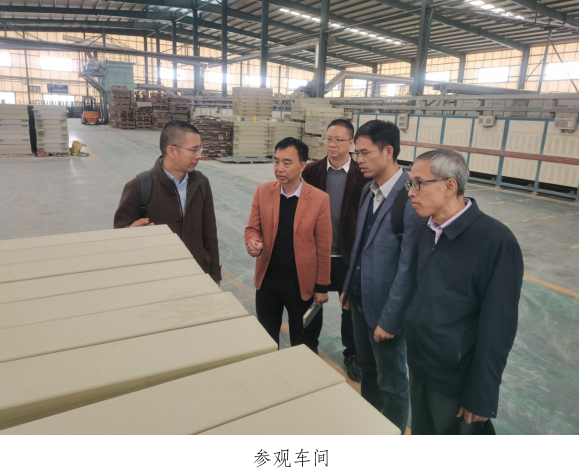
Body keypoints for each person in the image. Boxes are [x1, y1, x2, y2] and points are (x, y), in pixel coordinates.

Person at [404, 149, 523, 435]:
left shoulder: (495, 241)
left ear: (449, 186)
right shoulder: (428, 229)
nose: (411, 192)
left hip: (455, 379)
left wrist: (482, 393)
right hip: (420, 365)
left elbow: (499, 325)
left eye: (418, 183)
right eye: (410, 183)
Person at [340, 120, 425, 434]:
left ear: (388, 151)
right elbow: (360, 243)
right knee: (368, 369)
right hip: (361, 301)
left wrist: (390, 319)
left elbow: (408, 268)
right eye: (357, 153)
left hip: (387, 312)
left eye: (364, 153)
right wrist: (348, 288)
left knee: (392, 382)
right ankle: (370, 429)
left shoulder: (410, 199)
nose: (358, 160)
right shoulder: (369, 189)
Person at [245, 137, 332, 352]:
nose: (279, 168)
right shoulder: (263, 191)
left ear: (302, 166)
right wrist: (252, 241)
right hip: (268, 280)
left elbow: (323, 247)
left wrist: (321, 287)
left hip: (301, 284)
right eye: (276, 162)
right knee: (266, 341)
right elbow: (252, 228)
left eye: (287, 162)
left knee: (302, 345)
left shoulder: (319, 199)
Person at [302, 118, 370, 383]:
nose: (332, 144)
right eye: (329, 139)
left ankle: (352, 353)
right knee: (311, 303)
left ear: (351, 143)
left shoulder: (363, 175)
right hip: (315, 254)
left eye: (339, 140)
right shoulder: (311, 172)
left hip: (348, 256)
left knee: (349, 307)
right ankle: (308, 346)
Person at [114, 120, 221, 285]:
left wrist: (214, 275)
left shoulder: (201, 183)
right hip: (156, 278)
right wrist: (129, 232)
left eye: (200, 149)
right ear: (172, 150)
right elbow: (119, 233)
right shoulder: (139, 187)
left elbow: (210, 232)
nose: (199, 156)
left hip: (196, 272)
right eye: (193, 150)